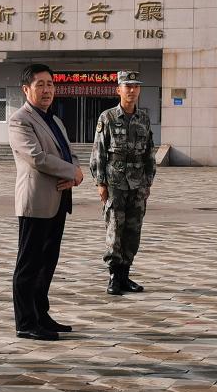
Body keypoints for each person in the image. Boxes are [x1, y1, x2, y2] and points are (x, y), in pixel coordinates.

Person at [8, 63, 84, 341]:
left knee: (47, 262)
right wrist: (72, 171)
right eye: (40, 84)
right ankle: (25, 322)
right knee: (29, 264)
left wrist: (75, 173)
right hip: (35, 203)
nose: (47, 89)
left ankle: (41, 314)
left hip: (58, 199)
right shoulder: (20, 120)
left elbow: (69, 153)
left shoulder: (55, 120)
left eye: (50, 84)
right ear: (26, 89)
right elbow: (37, 157)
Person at [89, 70, 157, 296]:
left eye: (136, 86)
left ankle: (125, 275)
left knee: (133, 231)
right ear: (118, 90)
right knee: (114, 229)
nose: (132, 90)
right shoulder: (107, 118)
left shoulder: (143, 119)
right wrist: (100, 183)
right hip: (115, 183)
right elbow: (98, 152)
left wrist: (148, 182)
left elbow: (149, 153)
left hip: (137, 185)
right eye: (128, 86)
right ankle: (114, 277)